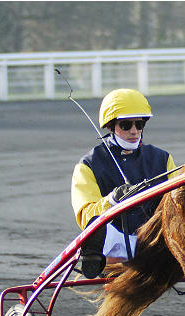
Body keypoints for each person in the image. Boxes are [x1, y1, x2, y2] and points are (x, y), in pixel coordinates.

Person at [71, 88, 176, 278]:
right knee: (98, 226)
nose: (134, 131)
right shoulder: (88, 165)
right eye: (126, 125)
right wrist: (112, 200)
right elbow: (86, 215)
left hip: (156, 240)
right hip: (114, 243)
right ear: (111, 126)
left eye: (139, 124)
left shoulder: (162, 158)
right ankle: (98, 263)